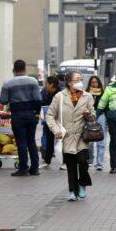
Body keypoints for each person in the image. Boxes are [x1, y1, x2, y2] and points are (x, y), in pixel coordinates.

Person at [45, 70, 95, 201]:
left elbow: (93, 116)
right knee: (71, 165)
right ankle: (73, 191)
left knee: (83, 162)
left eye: (81, 79)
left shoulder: (87, 96)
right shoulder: (59, 97)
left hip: (82, 135)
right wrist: (56, 130)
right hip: (66, 136)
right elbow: (50, 115)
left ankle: (82, 183)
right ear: (69, 82)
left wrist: (88, 114)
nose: (80, 82)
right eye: (77, 80)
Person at [0, 60, 42, 176]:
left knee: (21, 142)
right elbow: (38, 99)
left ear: (14, 69)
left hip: (17, 115)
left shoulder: (8, 83)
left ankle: (23, 168)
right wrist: (37, 113)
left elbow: (2, 100)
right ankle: (35, 168)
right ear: (25, 69)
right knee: (31, 141)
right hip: (31, 114)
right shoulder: (33, 81)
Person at [86, 76, 107, 171]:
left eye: (96, 82)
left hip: (101, 116)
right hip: (89, 117)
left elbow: (107, 107)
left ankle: (99, 163)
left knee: (101, 141)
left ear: (99, 83)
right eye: (92, 82)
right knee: (89, 141)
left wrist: (107, 122)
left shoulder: (103, 93)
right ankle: (89, 160)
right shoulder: (85, 94)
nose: (94, 84)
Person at [40, 76, 61, 169]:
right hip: (50, 120)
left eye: (46, 83)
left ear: (51, 84)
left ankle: (65, 162)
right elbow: (44, 103)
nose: (45, 86)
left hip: (60, 120)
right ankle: (47, 160)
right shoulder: (49, 93)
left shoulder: (60, 94)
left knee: (63, 141)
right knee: (49, 140)